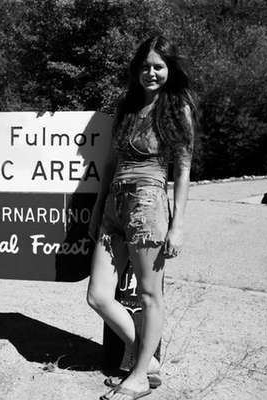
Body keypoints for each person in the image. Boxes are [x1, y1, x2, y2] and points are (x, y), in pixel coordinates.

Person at [86, 36, 197, 400]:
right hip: (115, 206)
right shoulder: (126, 107)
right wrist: (99, 209)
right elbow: (109, 163)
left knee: (149, 294)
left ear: (169, 70)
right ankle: (146, 360)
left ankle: (136, 378)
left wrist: (178, 225)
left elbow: (182, 169)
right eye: (145, 66)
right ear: (136, 70)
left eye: (159, 66)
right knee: (98, 296)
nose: (151, 72)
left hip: (148, 204)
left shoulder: (177, 107)